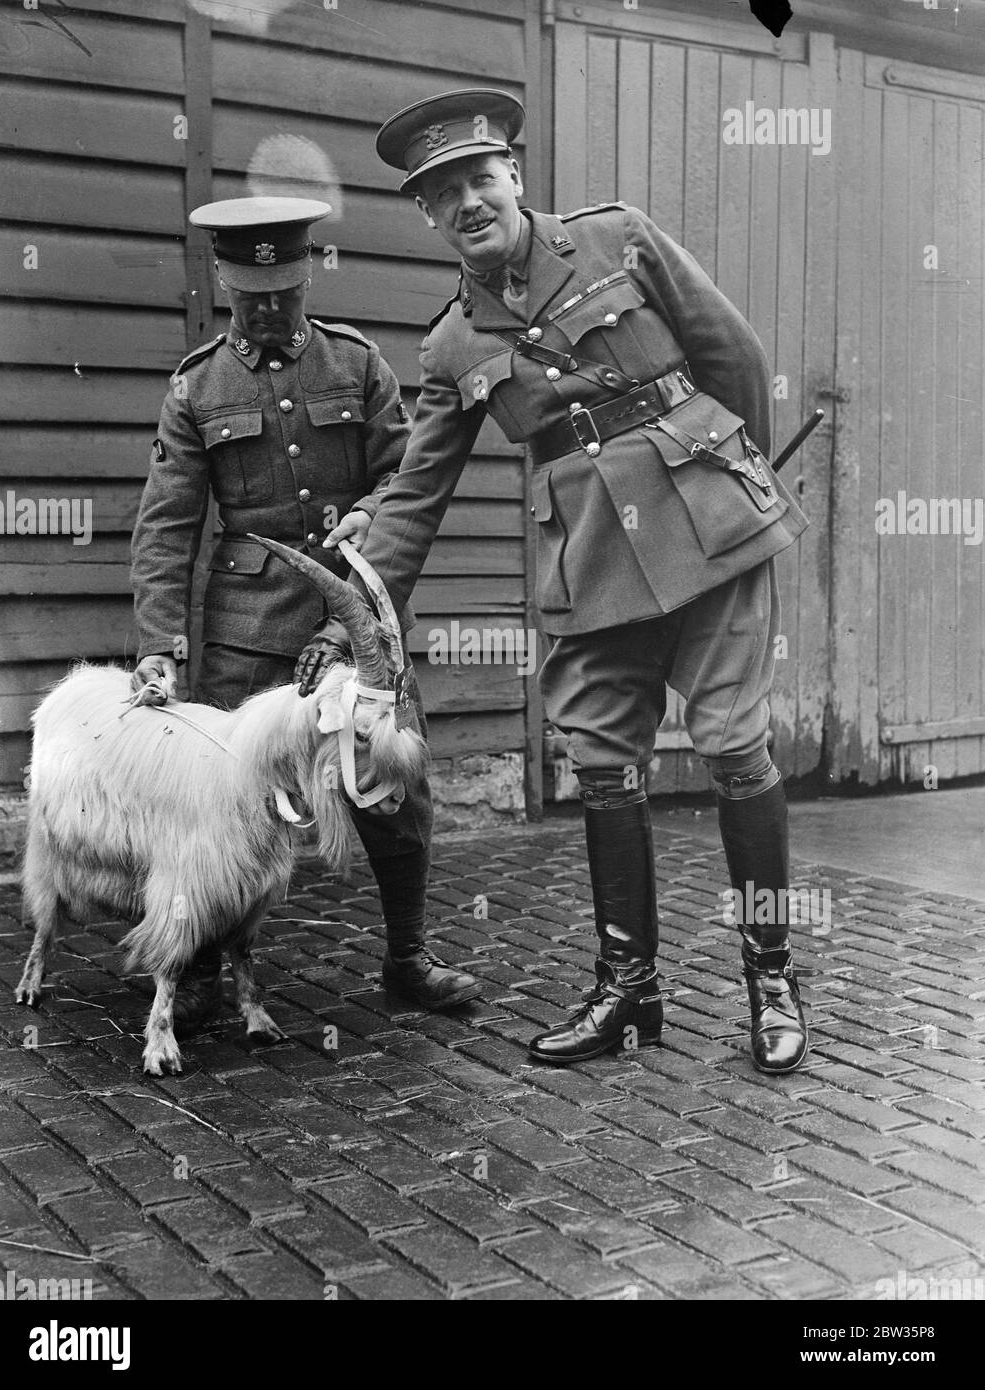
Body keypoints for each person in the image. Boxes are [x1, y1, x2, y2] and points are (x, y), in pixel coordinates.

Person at [298, 90, 810, 1073]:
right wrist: (366, 615)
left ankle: (771, 977)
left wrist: (730, 476)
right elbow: (414, 497)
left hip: (709, 527)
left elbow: (731, 355)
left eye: (479, 180)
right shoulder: (451, 345)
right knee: (601, 764)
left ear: (514, 177)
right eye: (442, 195)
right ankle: (628, 991)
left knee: (734, 748)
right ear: (427, 216)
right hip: (591, 565)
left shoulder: (618, 238)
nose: (467, 203)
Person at [130, 196, 479, 1030]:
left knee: (394, 784)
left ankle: (406, 958)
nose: (270, 310)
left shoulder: (357, 366)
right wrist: (160, 646)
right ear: (224, 283)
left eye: (283, 292)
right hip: (245, 633)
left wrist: (367, 537)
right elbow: (167, 525)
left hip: (355, 615)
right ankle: (208, 968)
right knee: (221, 804)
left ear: (305, 274)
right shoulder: (197, 386)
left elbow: (406, 485)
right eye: (252, 297)